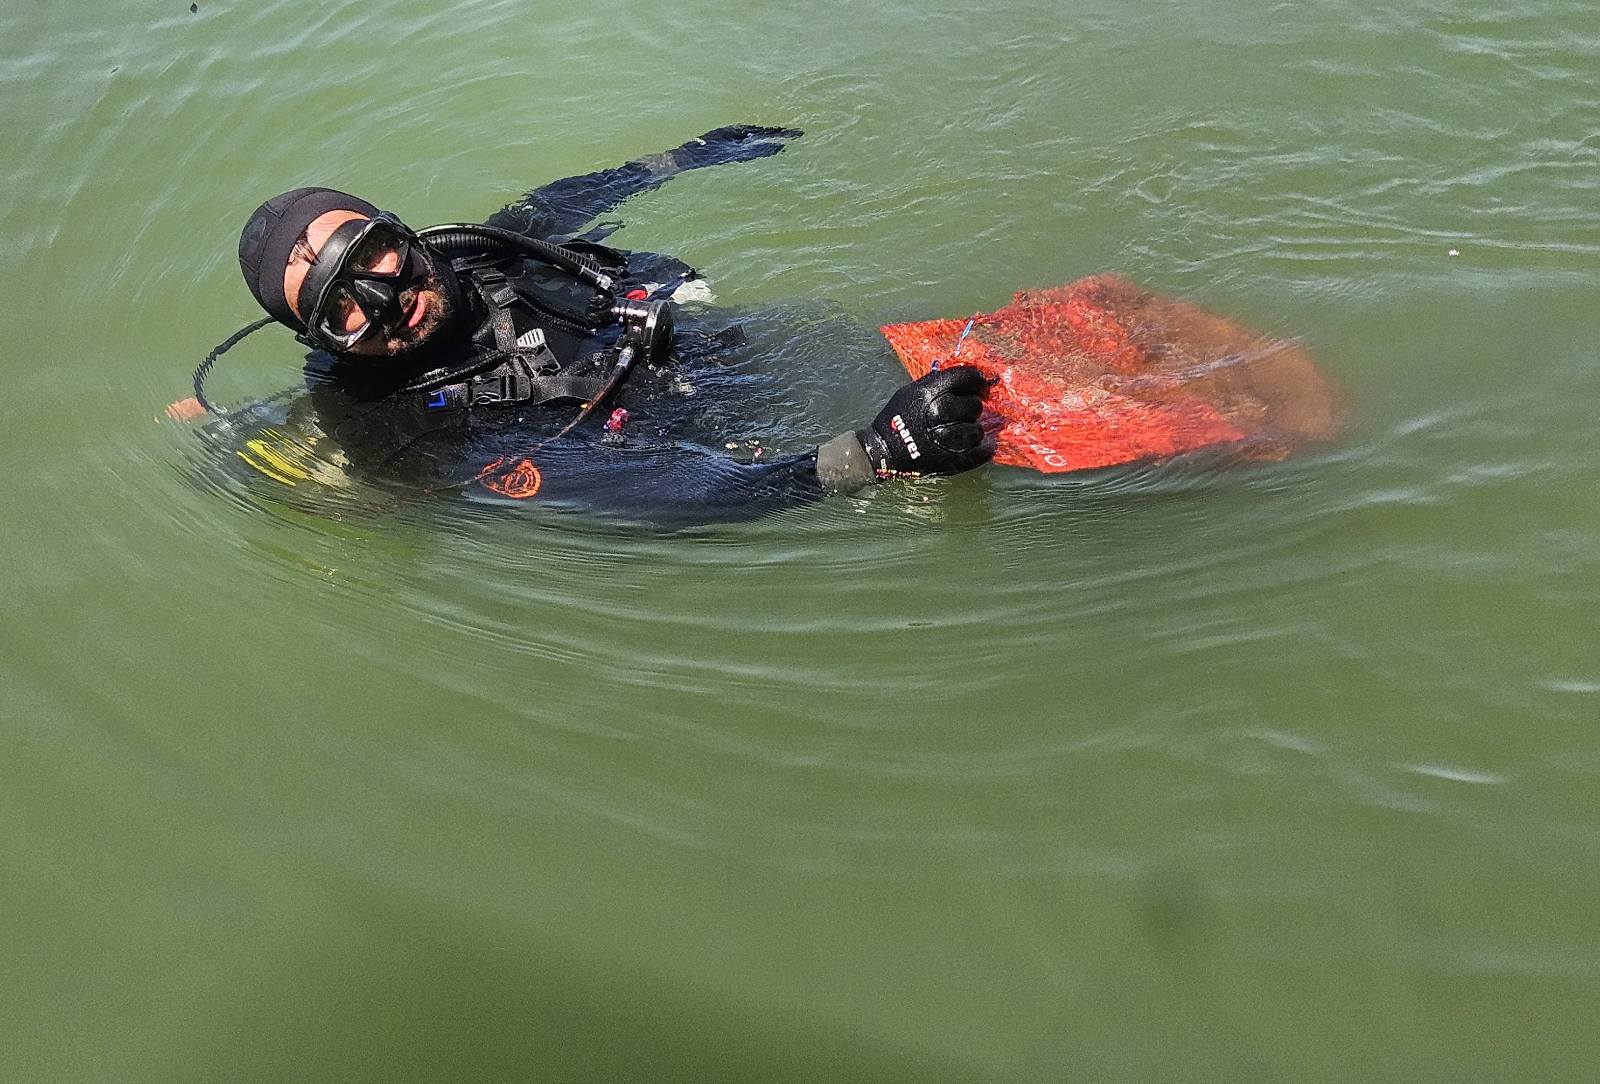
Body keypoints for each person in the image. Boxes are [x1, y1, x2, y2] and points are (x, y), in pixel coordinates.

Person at [174, 125, 994, 523]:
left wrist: (692, 155)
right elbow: (656, 497)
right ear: (320, 341)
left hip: (711, 347)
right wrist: (869, 457)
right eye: (340, 305)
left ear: (402, 230)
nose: (387, 298)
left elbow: (570, 199)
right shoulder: (411, 430)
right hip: (700, 443)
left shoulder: (477, 253)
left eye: (374, 255)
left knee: (850, 333)